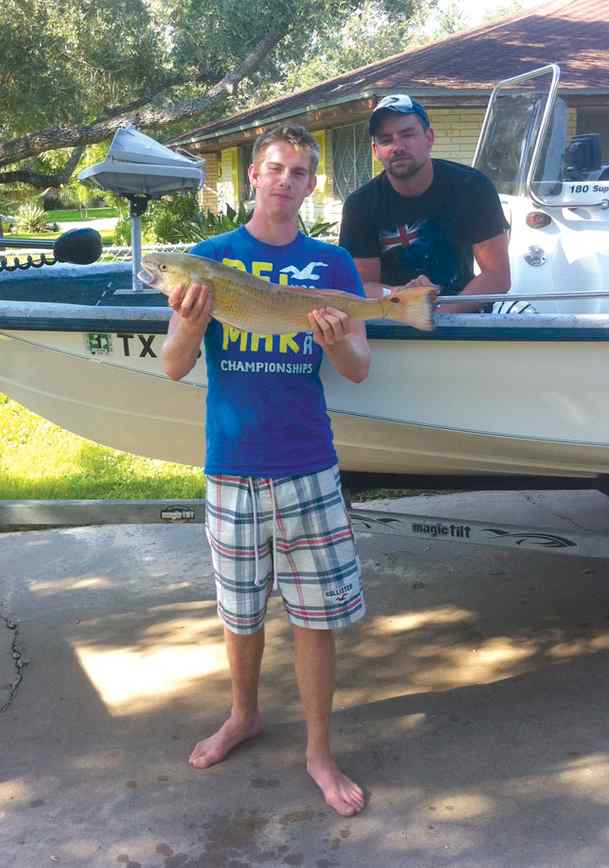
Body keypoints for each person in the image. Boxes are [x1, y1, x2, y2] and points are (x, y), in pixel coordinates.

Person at [162, 124, 370, 817]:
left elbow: (358, 369)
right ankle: (243, 714)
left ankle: (318, 749)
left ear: (313, 185)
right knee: (240, 611)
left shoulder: (333, 264)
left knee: (315, 619)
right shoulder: (209, 260)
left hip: (307, 461)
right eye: (276, 168)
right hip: (233, 462)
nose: (287, 180)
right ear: (254, 176)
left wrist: (339, 341)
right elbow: (173, 364)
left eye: (301, 172)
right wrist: (190, 321)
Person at [339, 94, 511, 312]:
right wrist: (401, 295)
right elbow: (360, 285)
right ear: (375, 151)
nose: (397, 146)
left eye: (407, 134)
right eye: (385, 139)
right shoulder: (360, 205)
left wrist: (438, 316)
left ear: (429, 137)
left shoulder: (472, 187)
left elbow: (497, 277)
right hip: (392, 317)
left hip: (461, 316)